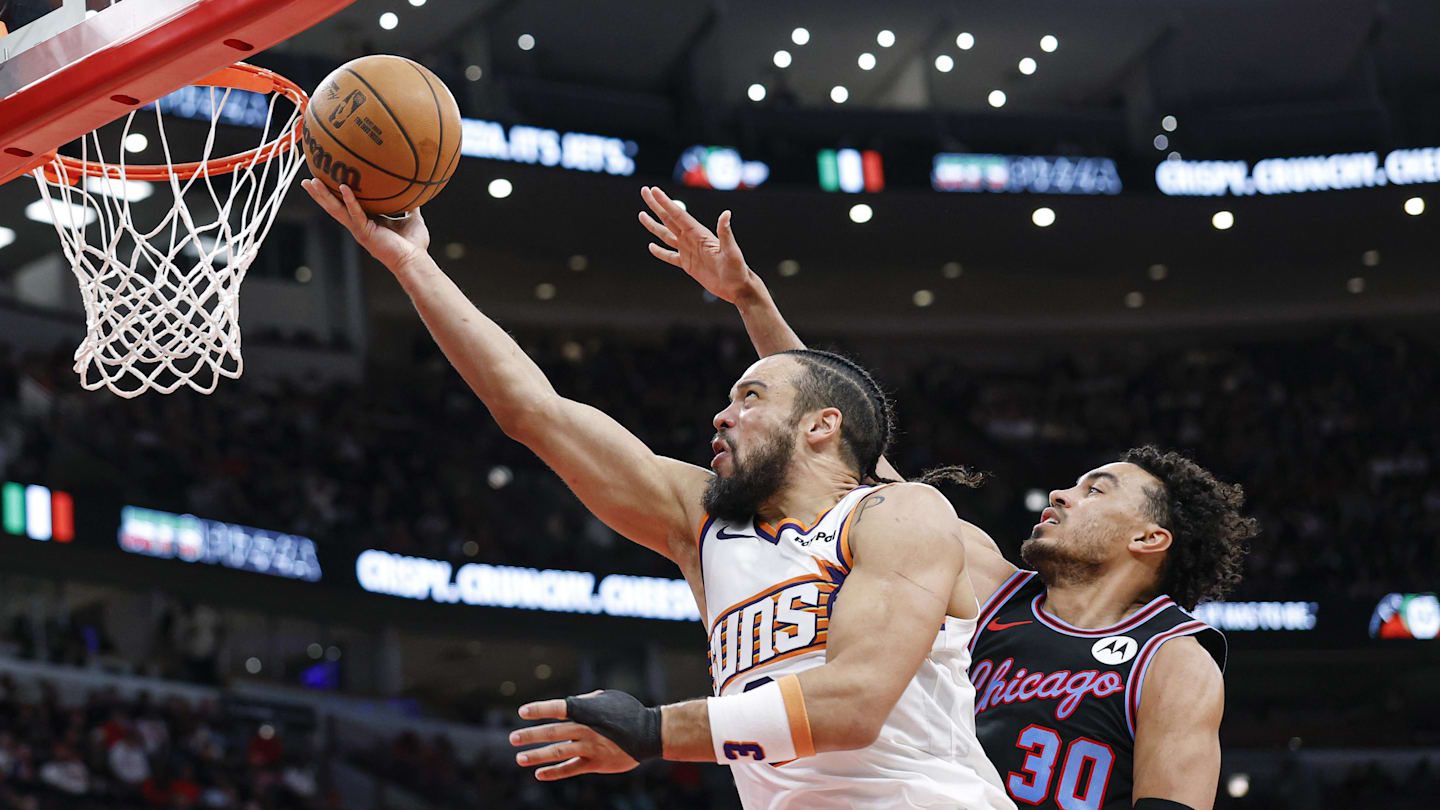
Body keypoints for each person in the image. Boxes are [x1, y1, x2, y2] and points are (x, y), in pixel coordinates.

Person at [302, 179, 1015, 809]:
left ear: (822, 427)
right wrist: (411, 262)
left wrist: (652, 731)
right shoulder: (705, 525)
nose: (722, 415)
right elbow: (535, 412)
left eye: (750, 397)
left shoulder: (902, 514)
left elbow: (852, 706)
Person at [640, 185, 1256, 810]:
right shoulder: (993, 587)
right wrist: (749, 299)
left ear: (1149, 539)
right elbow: (844, 442)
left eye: (1096, 490)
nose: (1064, 494)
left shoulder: (1173, 659)